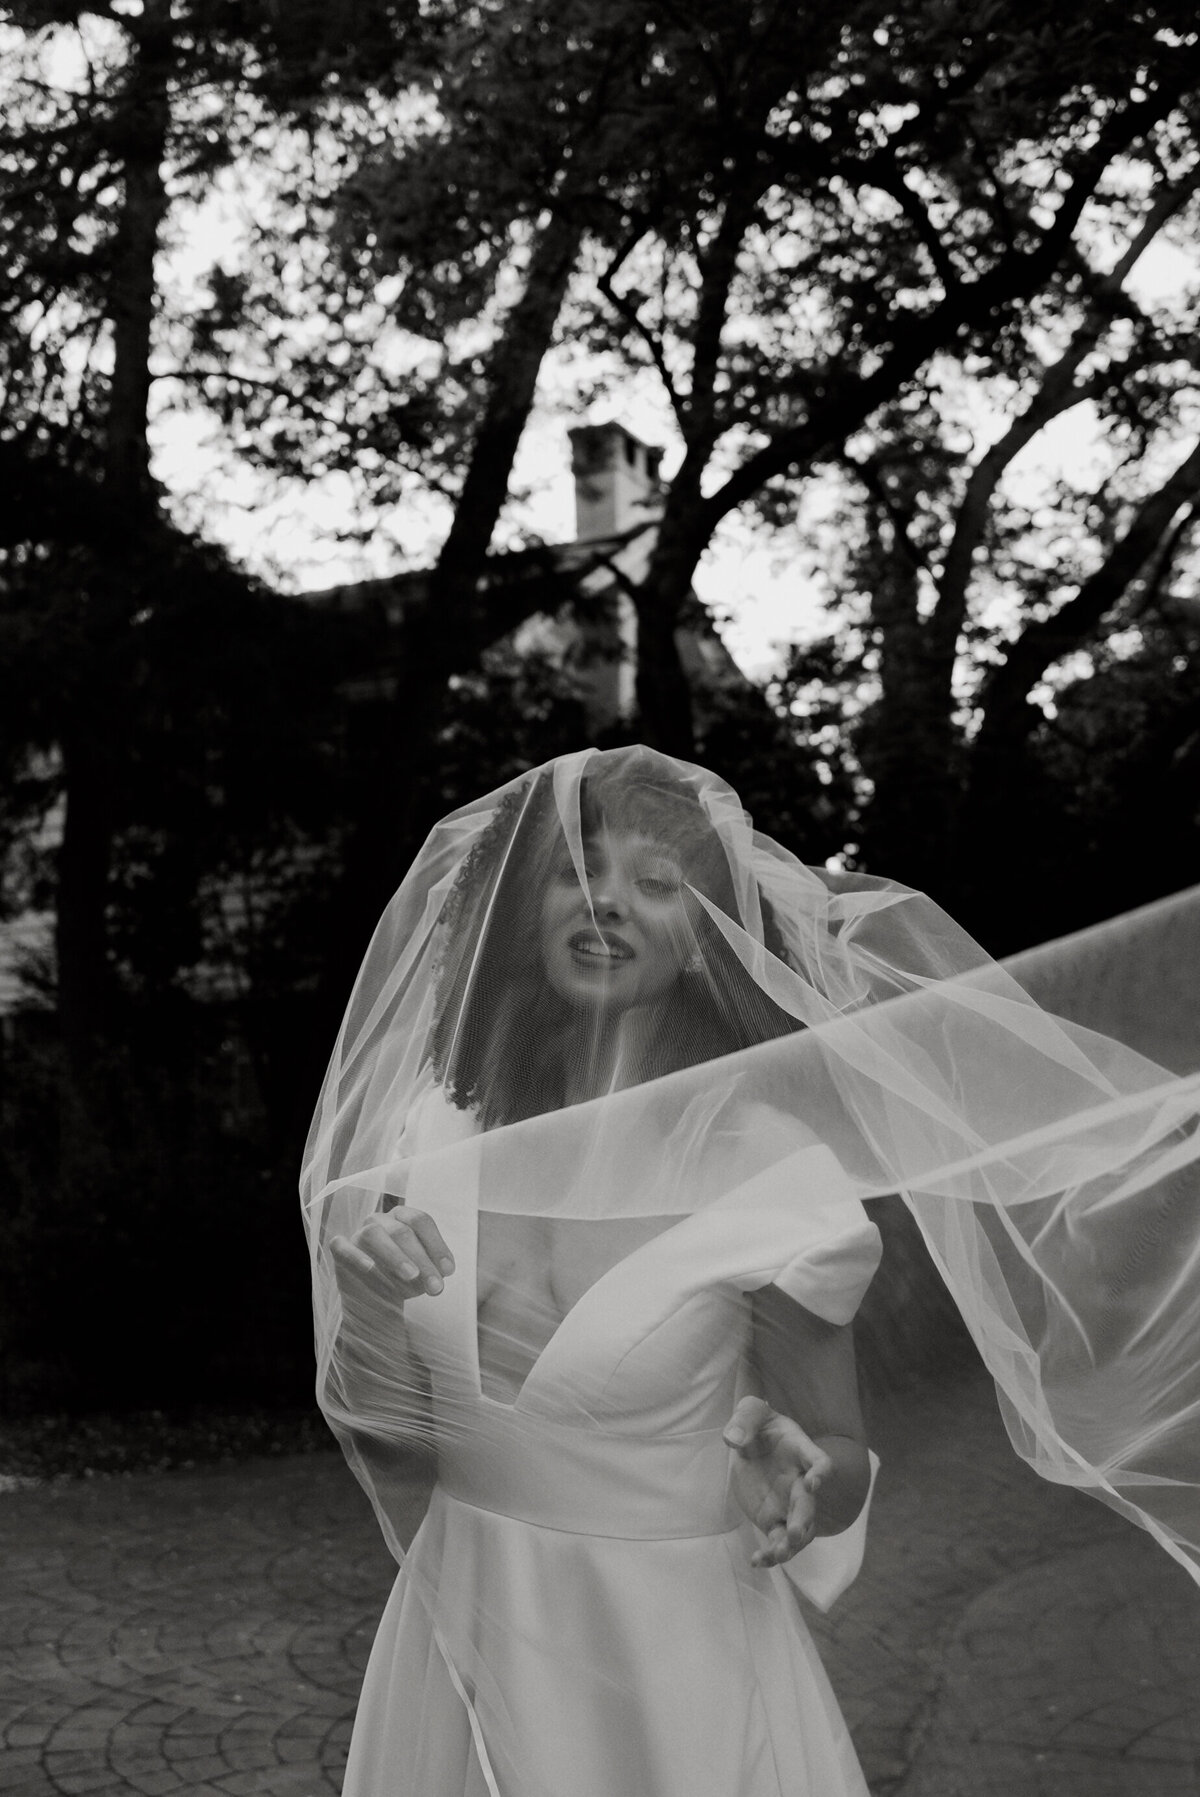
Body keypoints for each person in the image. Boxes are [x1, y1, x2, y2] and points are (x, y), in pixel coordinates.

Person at [301, 746, 1200, 1797]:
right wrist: (373, 1313)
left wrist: (810, 1481)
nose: (605, 901)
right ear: (522, 910)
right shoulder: (436, 1134)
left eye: (655, 882)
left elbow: (838, 1457)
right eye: (575, 871)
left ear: (704, 939)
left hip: (671, 1673)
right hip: (455, 1649)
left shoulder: (772, 1177)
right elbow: (397, 1445)